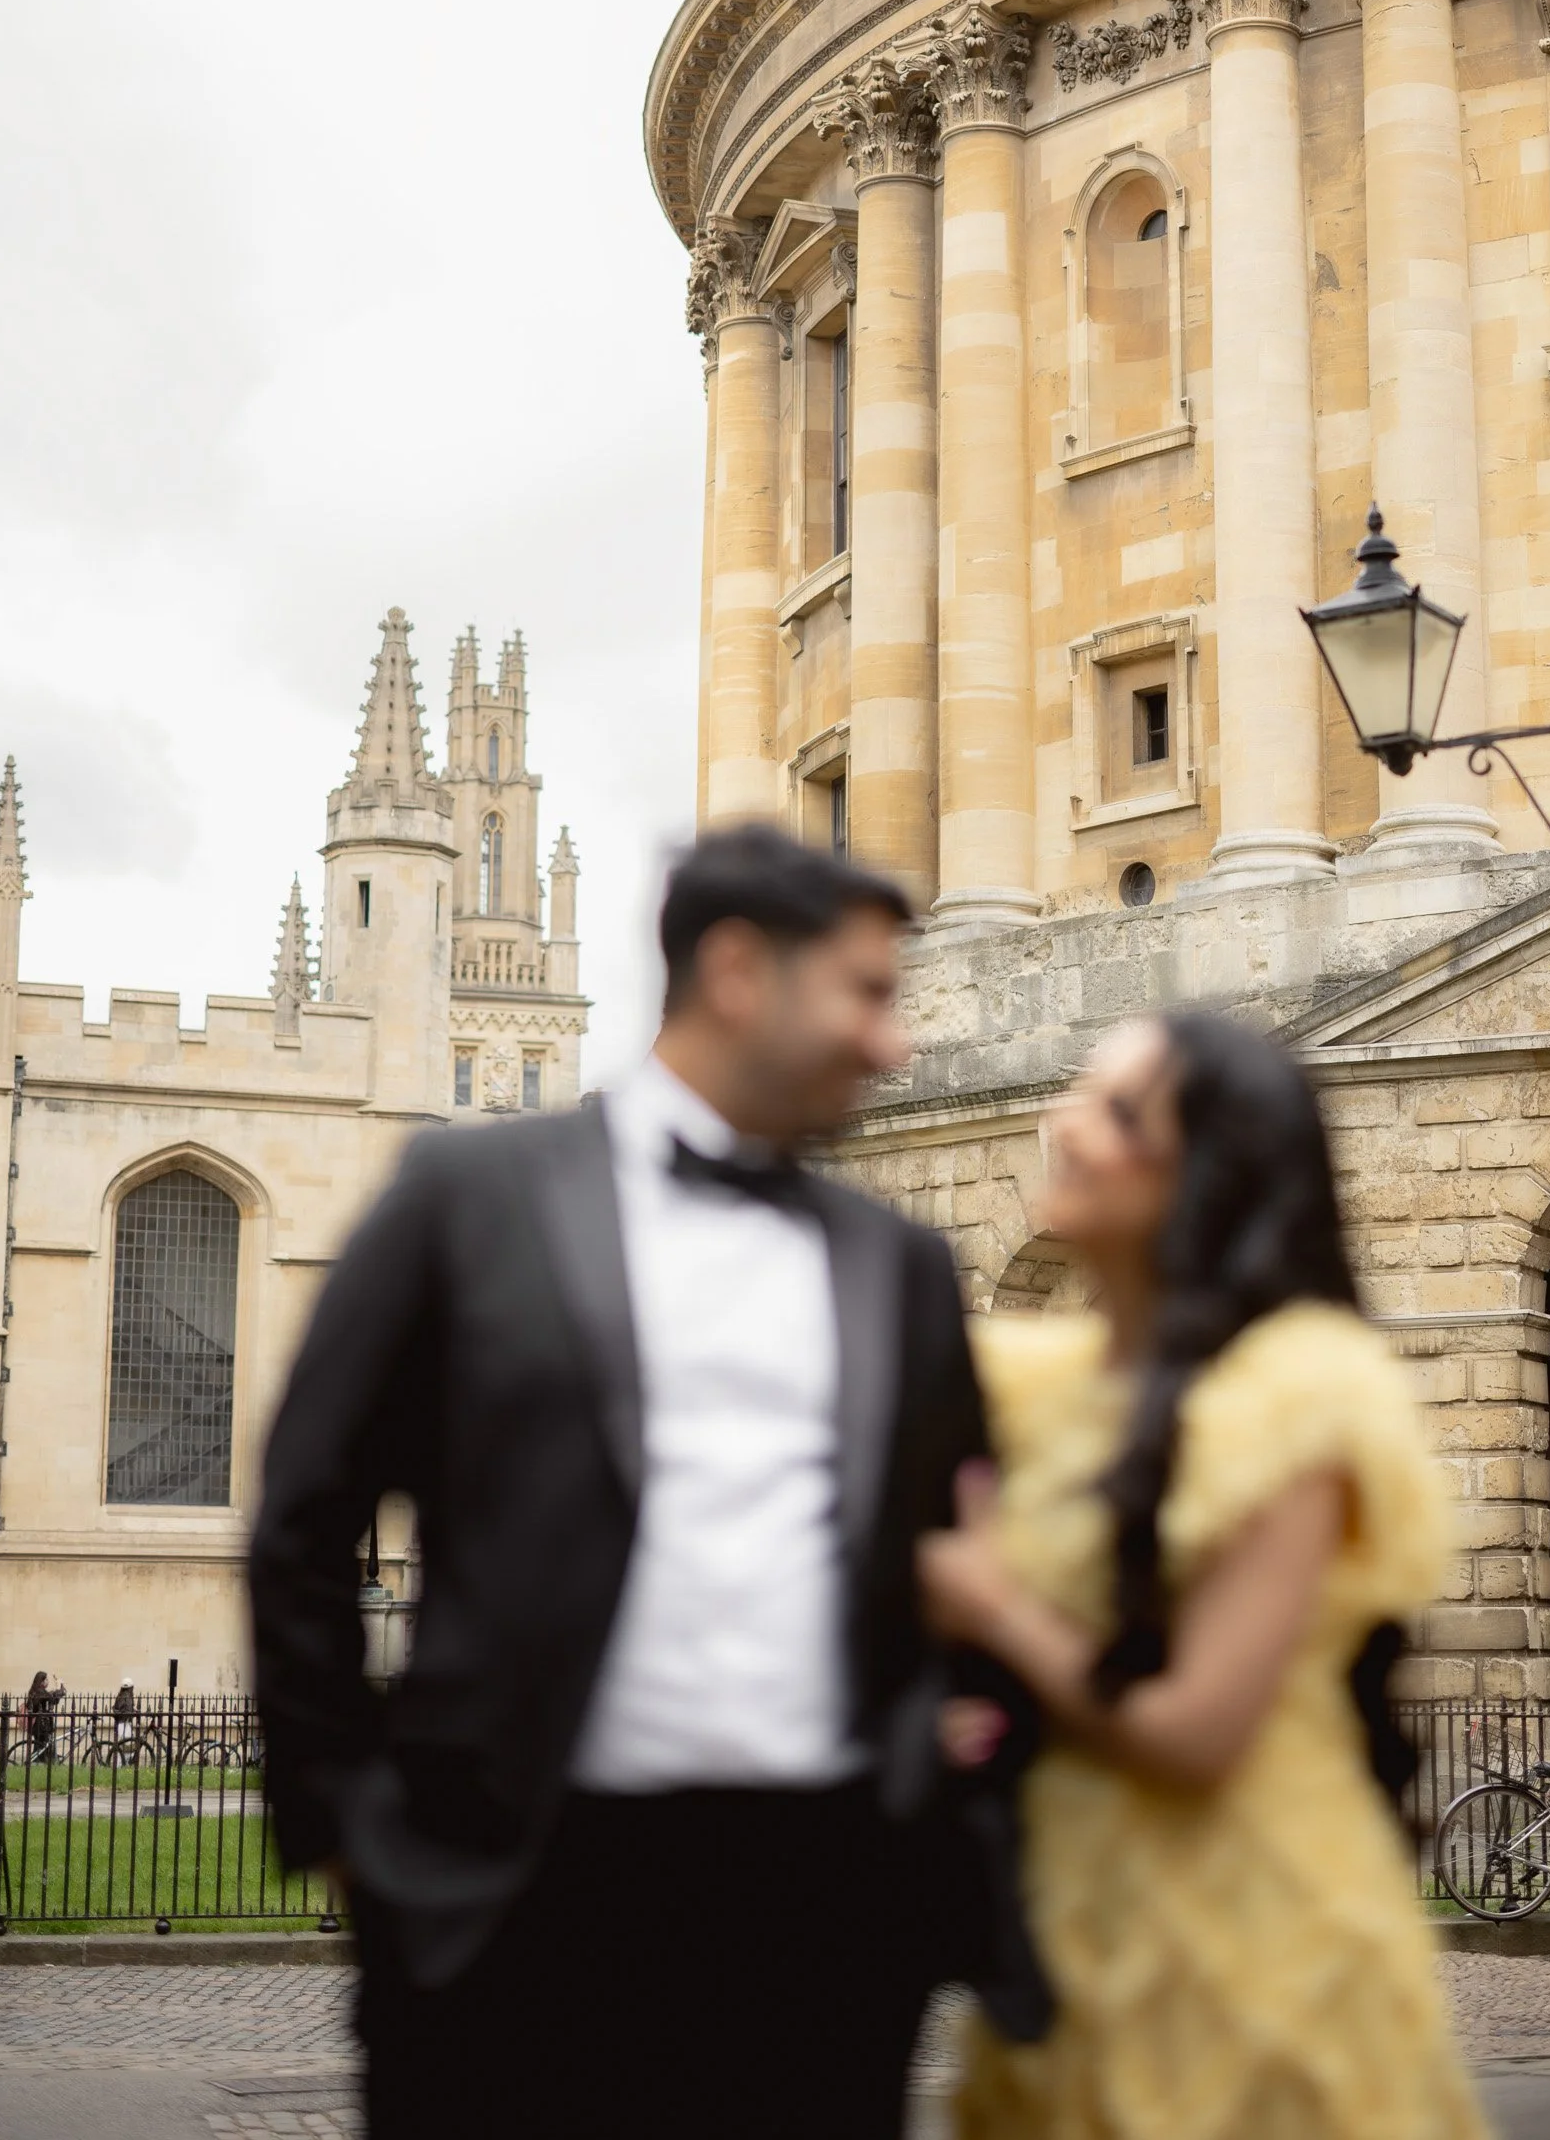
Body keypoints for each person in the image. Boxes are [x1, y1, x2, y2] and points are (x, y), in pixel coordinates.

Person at [251, 824, 1021, 2140]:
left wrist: (940, 1784)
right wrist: (351, 1829)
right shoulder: (466, 1193)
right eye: (868, 992)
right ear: (736, 970)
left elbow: (969, 1533)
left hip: (827, 1910)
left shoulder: (901, 1261)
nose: (894, 1042)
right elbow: (306, 1510)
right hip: (523, 1894)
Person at [920, 1011, 1489, 2140]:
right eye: (1081, 1090)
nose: (1064, 1124)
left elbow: (1196, 1728)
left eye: (1118, 1111)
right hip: (1069, 1949)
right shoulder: (1034, 1387)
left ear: (1206, 1173)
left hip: (1252, 1947)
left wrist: (990, 1604)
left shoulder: (1294, 1396)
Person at [24, 1670, 58, 1764]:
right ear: (42, 1681)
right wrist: (59, 1686)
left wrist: (58, 1688)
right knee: (47, 1746)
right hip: (42, 1725)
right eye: (46, 1679)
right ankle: (52, 1763)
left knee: (41, 1747)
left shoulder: (37, 1692)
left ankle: (35, 1762)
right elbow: (53, 1697)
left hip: (41, 1724)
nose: (48, 1681)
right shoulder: (40, 1693)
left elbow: (53, 1698)